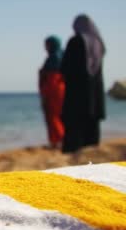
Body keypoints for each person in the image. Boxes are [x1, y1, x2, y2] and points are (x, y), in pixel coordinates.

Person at [60, 14, 106, 153]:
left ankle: (73, 149)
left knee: (75, 125)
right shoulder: (99, 43)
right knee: (91, 128)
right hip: (95, 93)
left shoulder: (76, 41)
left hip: (77, 93)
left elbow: (65, 67)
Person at [38, 35, 65, 149]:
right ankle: (59, 141)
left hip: (53, 92)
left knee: (52, 117)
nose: (45, 47)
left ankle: (57, 141)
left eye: (47, 44)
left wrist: (44, 95)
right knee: (59, 116)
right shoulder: (63, 56)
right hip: (61, 91)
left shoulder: (53, 59)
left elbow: (51, 79)